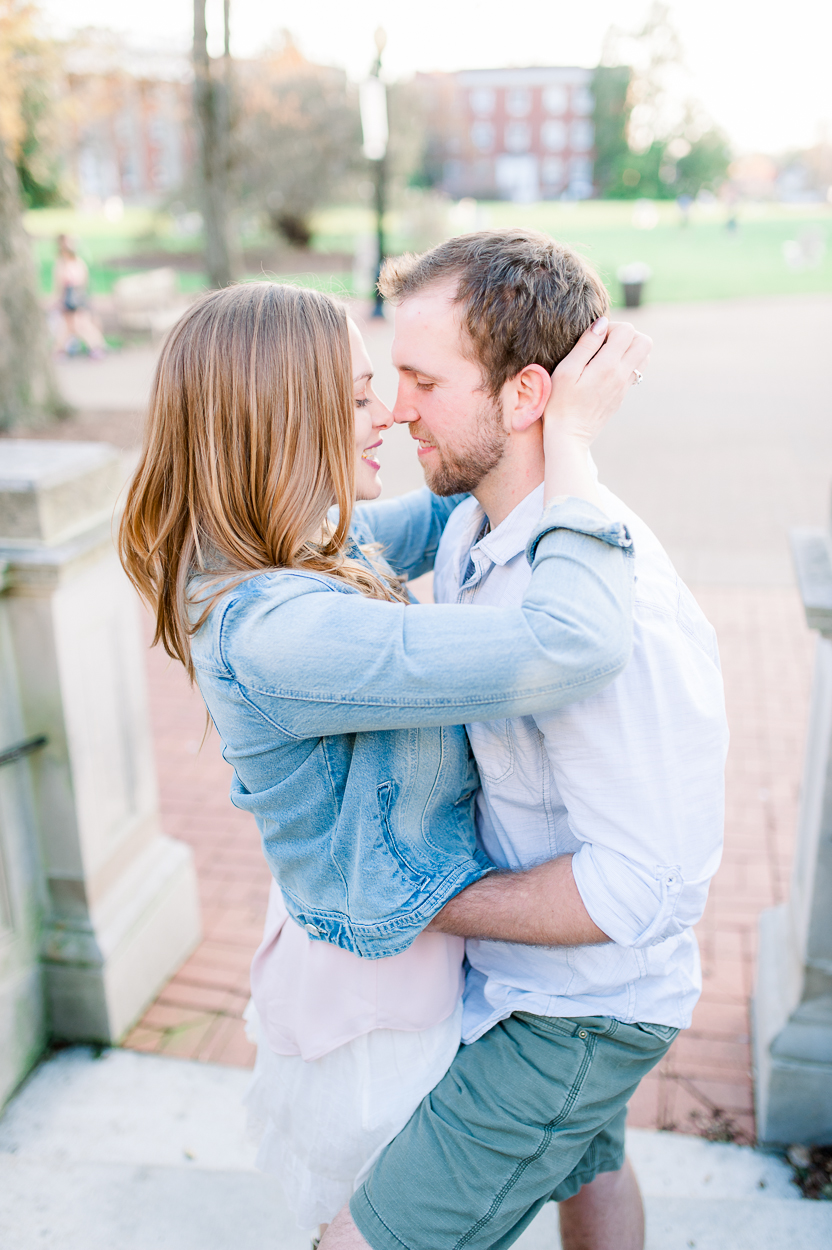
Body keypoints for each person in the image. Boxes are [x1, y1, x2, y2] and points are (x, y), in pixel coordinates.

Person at [117, 280, 648, 1233]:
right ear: (284, 418)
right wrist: (568, 445)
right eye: (363, 393)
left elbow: (453, 506)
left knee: (591, 1157)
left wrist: (518, 404)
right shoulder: (282, 630)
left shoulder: (296, 541)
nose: (393, 411)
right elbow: (572, 642)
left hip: (424, 958)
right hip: (376, 1008)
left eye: (395, 386)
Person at [320, 232, 728, 1250]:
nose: (395, 406)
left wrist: (430, 901)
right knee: (593, 1171)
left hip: (580, 1014)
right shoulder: (475, 519)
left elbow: (647, 883)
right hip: (528, 985)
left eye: (422, 380)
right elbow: (326, 533)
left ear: (525, 396)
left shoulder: (610, 608)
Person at [53, 234, 106, 358]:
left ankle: (96, 345)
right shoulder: (64, 263)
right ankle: (59, 350)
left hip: (75, 298)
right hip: (70, 298)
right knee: (69, 326)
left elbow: (77, 282)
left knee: (78, 325)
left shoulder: (75, 263)